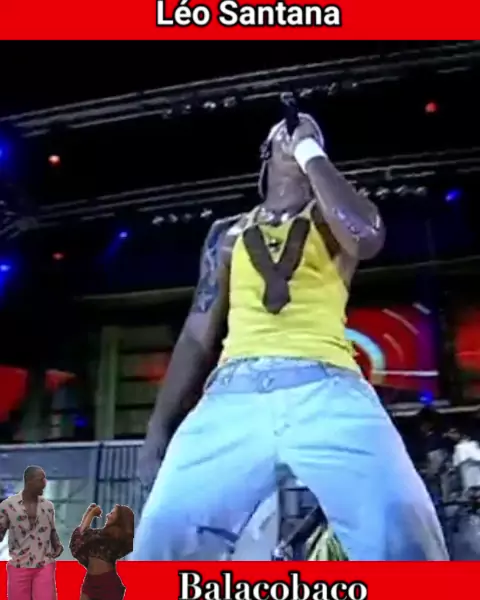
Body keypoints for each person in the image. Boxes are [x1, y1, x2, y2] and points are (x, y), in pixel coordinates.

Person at [133, 112, 448, 560]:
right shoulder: (225, 234)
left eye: (312, 130)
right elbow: (197, 335)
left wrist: (309, 149)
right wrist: (157, 427)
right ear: (265, 154)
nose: (298, 126)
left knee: (405, 531)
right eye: (287, 130)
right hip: (234, 393)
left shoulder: (336, 214)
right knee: (162, 537)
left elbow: (366, 238)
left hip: (328, 386)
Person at [0, 465, 63, 600]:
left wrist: (57, 545)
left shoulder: (48, 506)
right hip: (19, 565)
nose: (44, 483)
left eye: (45, 479)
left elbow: (52, 530)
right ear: (29, 481)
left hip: (44, 564)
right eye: (41, 480)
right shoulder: (8, 506)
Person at [69, 503, 133, 600]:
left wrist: (90, 515)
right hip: (90, 581)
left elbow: (81, 537)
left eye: (112, 513)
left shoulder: (115, 538)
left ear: (119, 519)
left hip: (107, 583)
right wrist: (88, 514)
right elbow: (78, 541)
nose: (107, 515)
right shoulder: (100, 535)